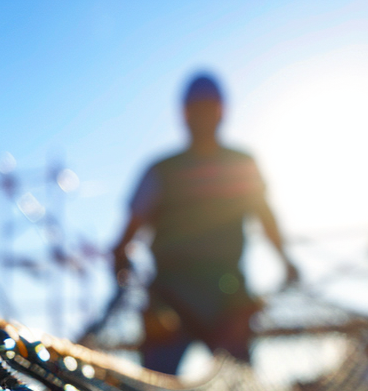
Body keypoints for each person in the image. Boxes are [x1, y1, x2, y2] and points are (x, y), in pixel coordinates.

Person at [111, 71, 299, 375]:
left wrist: (120, 260)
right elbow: (128, 233)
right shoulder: (176, 169)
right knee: (173, 389)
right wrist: (286, 261)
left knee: (213, 390)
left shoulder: (167, 170)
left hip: (214, 298)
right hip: (178, 301)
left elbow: (265, 217)